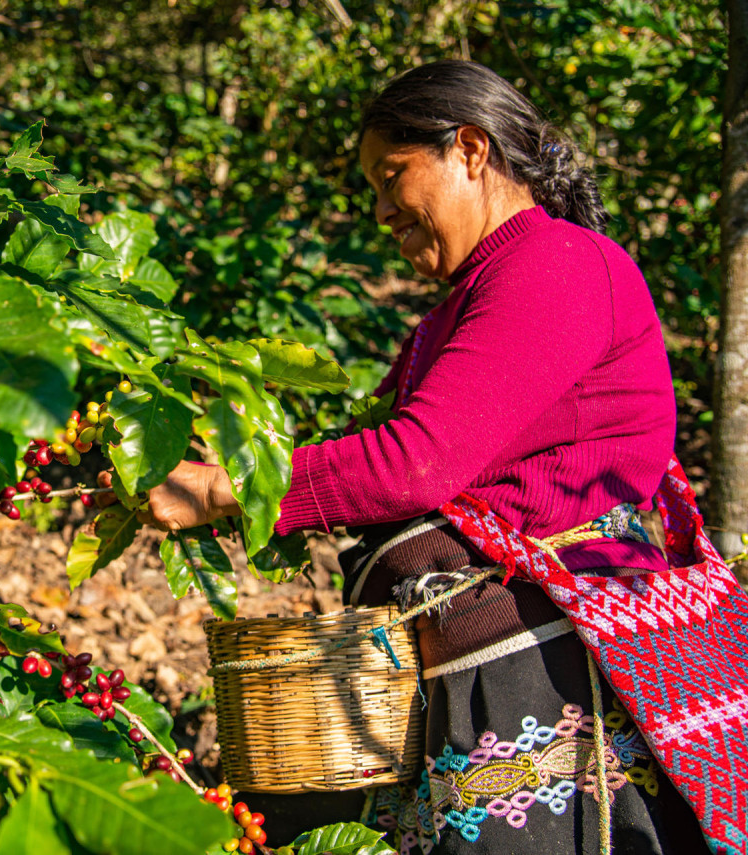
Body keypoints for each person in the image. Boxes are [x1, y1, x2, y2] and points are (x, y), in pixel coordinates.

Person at [105, 61, 717, 853]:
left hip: (551, 668)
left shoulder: (557, 265)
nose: (382, 208)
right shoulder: (461, 306)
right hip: (475, 657)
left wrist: (231, 487)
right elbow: (376, 459)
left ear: (469, 149)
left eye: (392, 176)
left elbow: (416, 464)